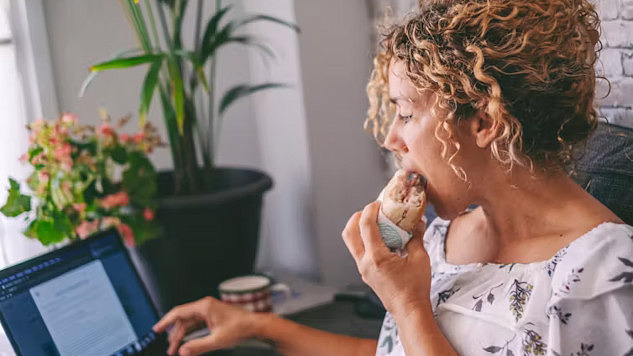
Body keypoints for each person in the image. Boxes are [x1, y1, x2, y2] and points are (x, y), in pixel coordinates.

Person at [153, 0, 633, 355]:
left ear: (485, 122)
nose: (390, 137)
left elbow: (414, 325)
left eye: (405, 112)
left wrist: (408, 304)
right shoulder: (444, 236)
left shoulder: (604, 278)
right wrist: (257, 326)